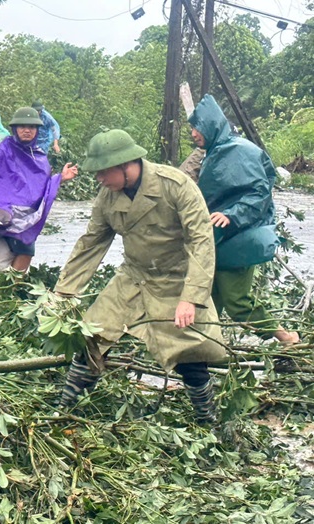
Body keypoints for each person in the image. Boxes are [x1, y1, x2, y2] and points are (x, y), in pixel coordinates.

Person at [54, 129, 226, 425]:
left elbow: (201, 241)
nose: (99, 179)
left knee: (190, 355)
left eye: (103, 172)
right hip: (133, 276)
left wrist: (191, 298)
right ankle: (64, 409)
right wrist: (63, 294)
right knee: (92, 338)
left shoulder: (175, 185)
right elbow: (91, 243)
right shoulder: (108, 196)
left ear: (126, 165)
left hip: (176, 279)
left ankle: (206, 420)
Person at [188, 94, 299, 345]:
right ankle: (205, 355)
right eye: (192, 128)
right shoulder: (213, 152)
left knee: (237, 301)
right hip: (217, 237)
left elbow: (259, 193)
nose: (193, 134)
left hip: (239, 236)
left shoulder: (240, 150)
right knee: (208, 298)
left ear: (211, 125)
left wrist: (232, 214)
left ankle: (286, 338)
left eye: (197, 127)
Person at [0, 107, 77, 304]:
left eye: (32, 127)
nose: (27, 130)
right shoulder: (2, 149)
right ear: (15, 129)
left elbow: (41, 188)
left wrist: (61, 178)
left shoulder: (40, 157)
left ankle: (8, 298)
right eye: (23, 127)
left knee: (26, 251)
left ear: (37, 131)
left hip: (22, 216)